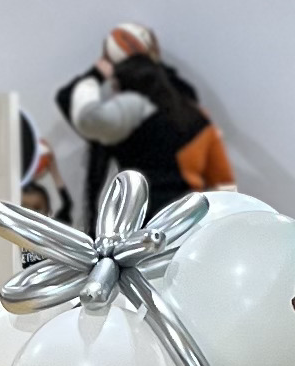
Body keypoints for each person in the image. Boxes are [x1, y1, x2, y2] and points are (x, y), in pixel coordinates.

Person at [55, 23, 233, 227]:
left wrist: (99, 70)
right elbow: (225, 184)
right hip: (187, 224)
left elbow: (72, 104)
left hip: (139, 227)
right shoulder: (195, 118)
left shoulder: (124, 122)